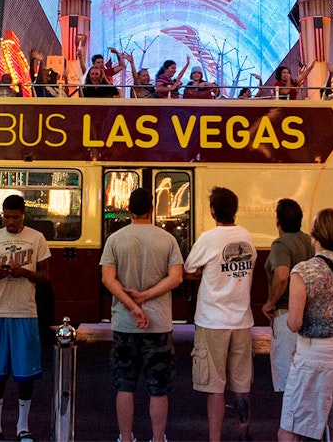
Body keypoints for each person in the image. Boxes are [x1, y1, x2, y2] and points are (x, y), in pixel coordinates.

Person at [100, 189, 184, 442]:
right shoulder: (167, 239)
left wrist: (131, 305)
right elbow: (176, 278)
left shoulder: (115, 239)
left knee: (125, 384)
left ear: (129, 210)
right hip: (158, 324)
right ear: (152, 210)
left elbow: (108, 279)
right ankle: (158, 438)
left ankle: (126, 437)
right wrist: (145, 298)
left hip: (125, 324)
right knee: (158, 387)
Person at [278, 208, 333, 442]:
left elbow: (295, 323)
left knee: (292, 428)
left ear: (314, 236)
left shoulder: (303, 271)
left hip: (318, 355)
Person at [0, 194, 52, 442]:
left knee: (24, 373)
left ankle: (22, 425)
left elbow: (45, 275)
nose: (10, 222)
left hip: (25, 312)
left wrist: (25, 273)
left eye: (15, 217)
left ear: (23, 215)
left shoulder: (36, 238)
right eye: (6, 217)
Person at [183, 187, 254, 442]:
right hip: (242, 321)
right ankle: (244, 432)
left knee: (215, 386)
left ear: (213, 210)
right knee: (242, 385)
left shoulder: (208, 239)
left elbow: (189, 268)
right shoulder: (246, 236)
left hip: (213, 320)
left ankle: (216, 439)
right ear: (234, 209)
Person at [260, 199, 314, 394]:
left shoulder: (281, 244)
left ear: (278, 222)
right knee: (307, 380)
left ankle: (290, 423)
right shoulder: (309, 241)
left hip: (286, 316)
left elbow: (282, 276)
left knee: (288, 380)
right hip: (309, 315)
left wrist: (270, 303)